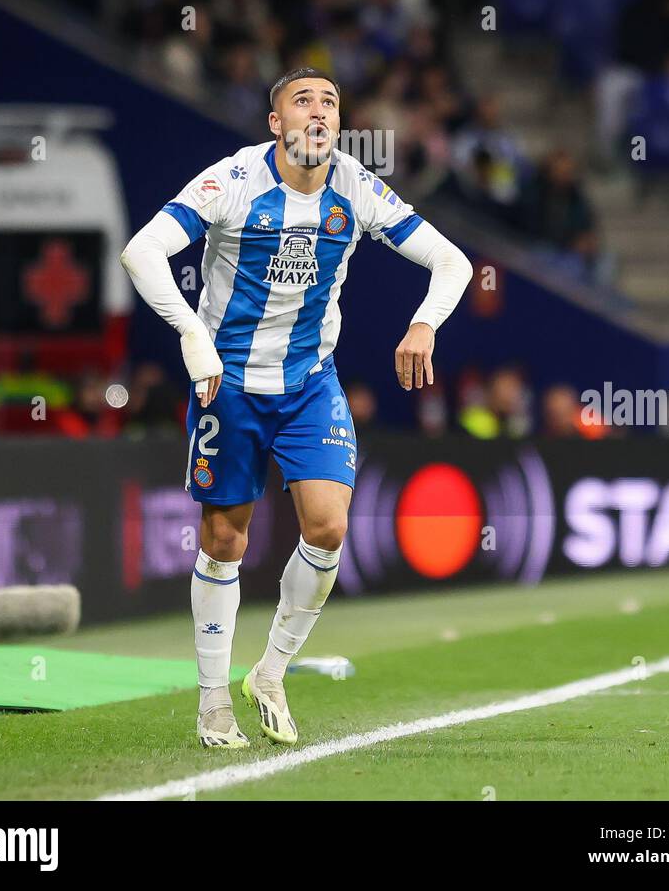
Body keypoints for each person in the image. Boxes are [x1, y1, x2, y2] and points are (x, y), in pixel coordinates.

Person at [121, 67, 472, 748]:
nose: (318, 113)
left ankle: (272, 671)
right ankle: (212, 702)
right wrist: (192, 334)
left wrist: (425, 322)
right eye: (301, 102)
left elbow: (453, 263)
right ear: (275, 123)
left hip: (310, 381)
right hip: (230, 386)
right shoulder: (232, 180)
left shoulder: (356, 187)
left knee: (329, 526)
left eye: (330, 103)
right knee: (226, 540)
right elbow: (142, 251)